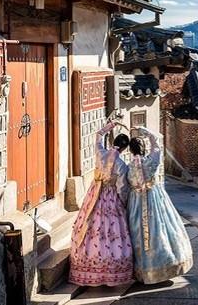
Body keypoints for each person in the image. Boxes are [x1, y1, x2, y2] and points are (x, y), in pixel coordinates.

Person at [69, 119, 133, 287]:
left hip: (94, 195)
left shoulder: (100, 153)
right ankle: (110, 270)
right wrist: (123, 204)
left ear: (113, 143)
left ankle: (87, 267)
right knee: (111, 231)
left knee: (90, 227)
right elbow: (122, 188)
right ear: (125, 148)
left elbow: (97, 135)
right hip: (111, 198)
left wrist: (111, 125)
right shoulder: (121, 165)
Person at [126, 126, 193, 284]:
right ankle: (163, 266)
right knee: (160, 229)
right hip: (154, 199)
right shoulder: (152, 161)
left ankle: (142, 271)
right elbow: (156, 143)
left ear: (130, 150)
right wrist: (144, 131)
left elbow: (124, 185)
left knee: (138, 234)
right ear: (144, 149)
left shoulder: (129, 167)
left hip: (136, 202)